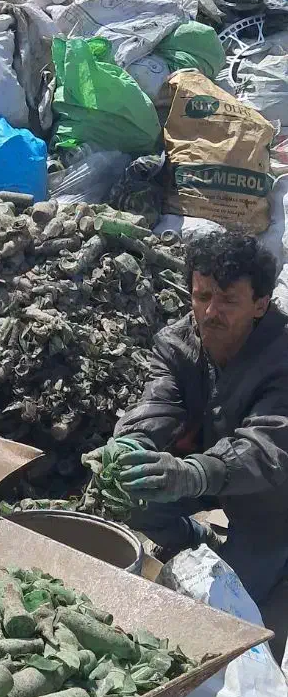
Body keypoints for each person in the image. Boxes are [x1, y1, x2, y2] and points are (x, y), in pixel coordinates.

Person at [111, 230, 288, 608]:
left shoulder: (282, 356)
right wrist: (134, 442)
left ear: (260, 304)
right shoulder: (176, 344)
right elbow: (158, 402)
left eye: (227, 300)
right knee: (133, 497)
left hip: (273, 498)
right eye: (202, 296)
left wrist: (194, 473)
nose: (210, 312)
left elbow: (267, 446)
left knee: (230, 606)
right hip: (212, 474)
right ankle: (199, 537)